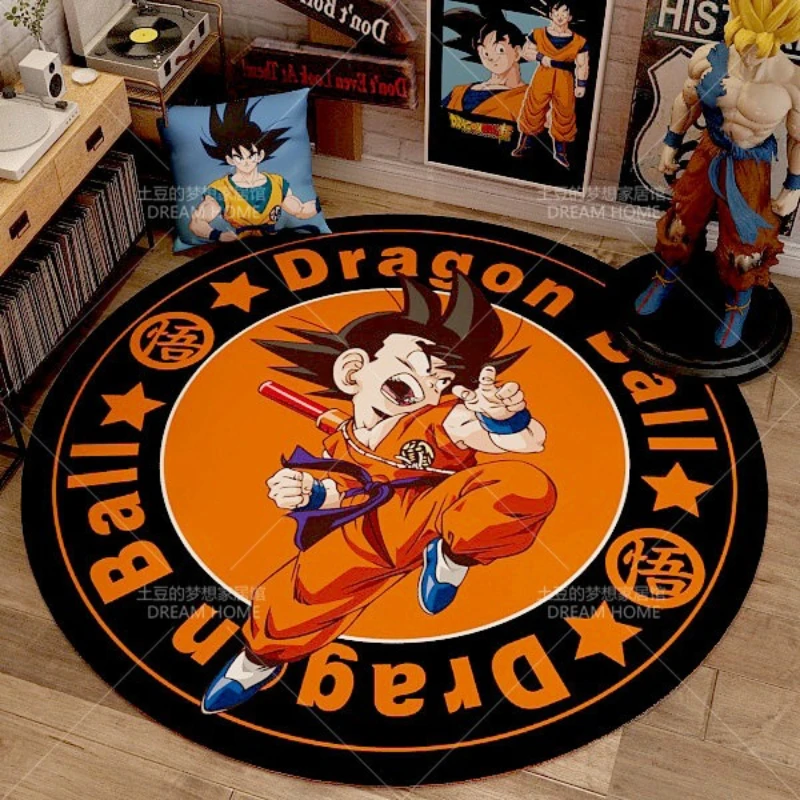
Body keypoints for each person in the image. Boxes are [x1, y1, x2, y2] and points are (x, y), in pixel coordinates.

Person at [201, 275, 557, 714]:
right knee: (295, 597)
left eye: (441, 381)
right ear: (353, 371)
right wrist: (309, 492)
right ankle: (255, 664)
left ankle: (452, 560)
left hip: (434, 515)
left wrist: (506, 419)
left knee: (524, 486)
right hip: (367, 534)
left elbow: (524, 443)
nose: (430, 387)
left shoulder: (443, 419)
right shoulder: (340, 443)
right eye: (417, 365)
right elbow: (345, 492)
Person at [635, 0, 800, 348]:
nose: (749, 55)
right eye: (744, 42)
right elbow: (686, 100)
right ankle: (666, 277)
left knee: (746, 245)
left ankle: (738, 304)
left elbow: (799, 138)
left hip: (750, 164)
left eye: (759, 47)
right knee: (681, 221)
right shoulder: (710, 57)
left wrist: (794, 185)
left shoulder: (791, 80)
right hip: (708, 150)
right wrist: (671, 143)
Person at [189, 99, 319, 243]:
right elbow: (197, 221)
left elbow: (300, 210)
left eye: (251, 155)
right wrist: (217, 235)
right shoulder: (221, 190)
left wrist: (318, 205)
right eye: (239, 157)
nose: (246, 162)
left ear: (260, 155)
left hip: (274, 243)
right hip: (238, 246)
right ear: (230, 159)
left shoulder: (277, 183)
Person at [513, 1, 589, 168]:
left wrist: (581, 84)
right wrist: (541, 57)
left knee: (564, 112)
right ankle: (525, 143)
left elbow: (582, 64)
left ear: (570, 16)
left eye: (564, 13)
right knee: (533, 107)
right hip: (544, 74)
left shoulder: (579, 41)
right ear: (551, 15)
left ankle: (560, 152)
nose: (560, 16)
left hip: (565, 78)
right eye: (556, 12)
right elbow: (526, 52)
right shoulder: (538, 33)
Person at [441, 6, 528, 121]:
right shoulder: (458, 92)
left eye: (500, 49)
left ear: (517, 52)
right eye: (485, 52)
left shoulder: (529, 99)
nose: (491, 57)